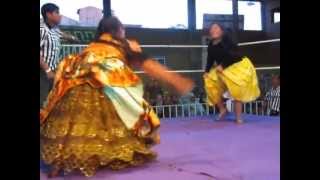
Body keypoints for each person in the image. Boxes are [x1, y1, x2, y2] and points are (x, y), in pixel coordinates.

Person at [40, 16, 193, 177]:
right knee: (115, 120)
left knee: (75, 125)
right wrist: (177, 81)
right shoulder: (126, 44)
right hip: (105, 84)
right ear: (118, 30)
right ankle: (98, 157)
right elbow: (150, 66)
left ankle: (60, 161)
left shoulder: (92, 46)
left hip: (74, 87)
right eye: (123, 29)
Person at [203, 23, 260, 124]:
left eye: (216, 28)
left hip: (237, 66)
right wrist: (206, 71)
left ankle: (238, 117)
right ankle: (222, 109)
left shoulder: (227, 40)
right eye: (211, 29)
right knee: (210, 82)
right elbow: (210, 59)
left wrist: (223, 65)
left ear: (222, 30)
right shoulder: (211, 44)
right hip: (223, 69)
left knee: (236, 89)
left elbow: (235, 55)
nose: (213, 30)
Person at [40, 3, 79, 108]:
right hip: (43, 73)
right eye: (57, 13)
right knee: (42, 101)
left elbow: (63, 35)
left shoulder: (54, 29)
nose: (60, 15)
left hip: (53, 72)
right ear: (48, 14)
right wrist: (47, 70)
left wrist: (73, 38)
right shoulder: (42, 30)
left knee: (51, 100)